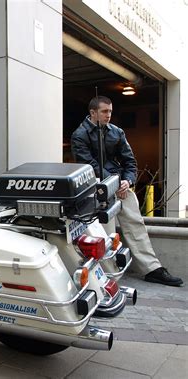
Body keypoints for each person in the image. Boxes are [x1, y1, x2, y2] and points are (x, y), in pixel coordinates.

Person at [71, 95, 183, 287]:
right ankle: (107, 274)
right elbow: (89, 165)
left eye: (110, 111)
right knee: (104, 231)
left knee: (136, 224)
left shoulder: (117, 132)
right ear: (93, 113)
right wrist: (116, 183)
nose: (109, 115)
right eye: (105, 112)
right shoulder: (79, 135)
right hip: (97, 188)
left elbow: (130, 162)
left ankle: (152, 269)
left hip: (120, 186)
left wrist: (127, 181)